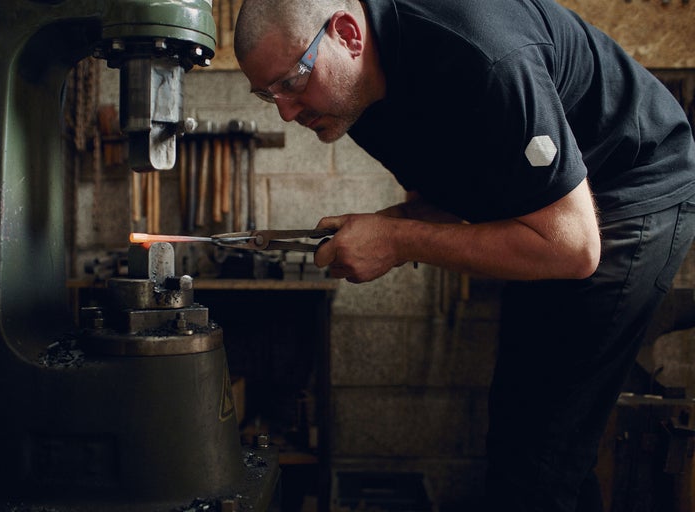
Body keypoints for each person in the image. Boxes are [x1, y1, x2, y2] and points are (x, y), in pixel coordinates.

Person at [233, 1, 695, 511]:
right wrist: (396, 224)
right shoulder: (352, 98)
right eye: (267, 93)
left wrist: (397, 240)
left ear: (347, 34)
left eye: (293, 81)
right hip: (554, 211)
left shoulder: (482, 55)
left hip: (629, 184)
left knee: (539, 455)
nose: (285, 111)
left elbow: (572, 247)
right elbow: (457, 196)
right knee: (525, 431)